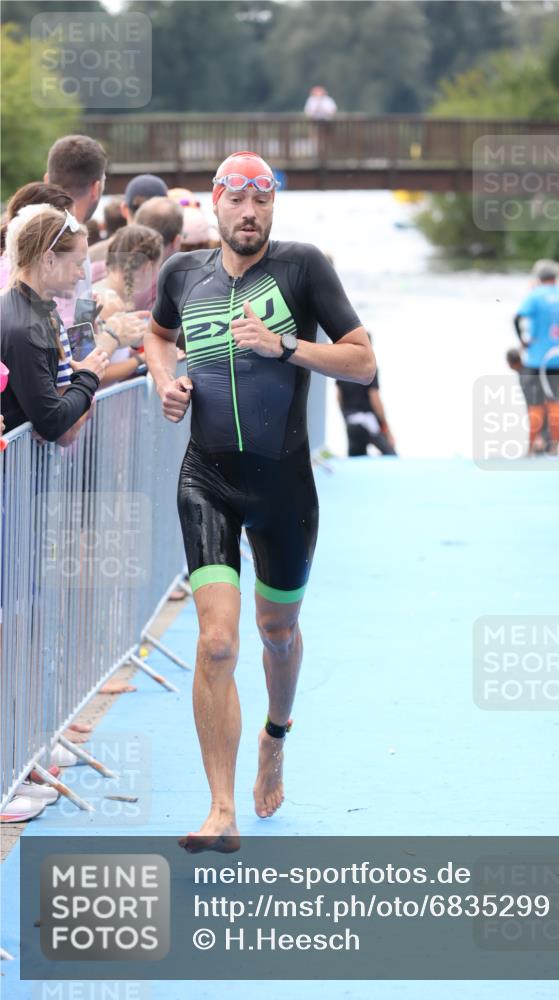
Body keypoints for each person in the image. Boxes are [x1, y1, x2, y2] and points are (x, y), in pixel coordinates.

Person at [144, 150, 375, 852]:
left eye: (263, 201)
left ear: (272, 207)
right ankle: (219, 808)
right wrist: (164, 380)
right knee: (216, 642)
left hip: (283, 487)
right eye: (238, 201)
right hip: (206, 478)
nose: (250, 214)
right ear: (214, 205)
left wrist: (286, 346)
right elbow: (157, 334)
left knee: (276, 634)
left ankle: (276, 733)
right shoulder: (183, 273)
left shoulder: (302, 268)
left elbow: (363, 360)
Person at [0, 204, 108, 439]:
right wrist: (89, 376)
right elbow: (52, 421)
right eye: (77, 264)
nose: (81, 275)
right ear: (49, 260)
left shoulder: (39, 310)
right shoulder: (25, 325)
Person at [45, 134, 147, 354]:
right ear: (96, 188)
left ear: (46, 180)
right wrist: (114, 334)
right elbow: (79, 349)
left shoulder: (20, 231)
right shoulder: (74, 245)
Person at [513, 259, 559, 455]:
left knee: (535, 403)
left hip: (536, 358)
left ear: (539, 276)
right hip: (557, 358)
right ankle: (554, 445)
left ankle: (533, 445)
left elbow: (517, 317)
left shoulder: (535, 296)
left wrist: (522, 340)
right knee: (554, 400)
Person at [93, 224, 163, 384]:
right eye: (158, 266)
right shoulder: (111, 304)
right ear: (147, 267)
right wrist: (143, 357)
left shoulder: (103, 293)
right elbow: (97, 373)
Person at [336, 334, 396, 456]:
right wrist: (387, 429)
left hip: (351, 420)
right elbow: (375, 399)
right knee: (391, 454)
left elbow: (339, 397)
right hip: (367, 421)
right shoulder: (369, 368)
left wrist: (346, 417)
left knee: (355, 458)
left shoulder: (341, 367)